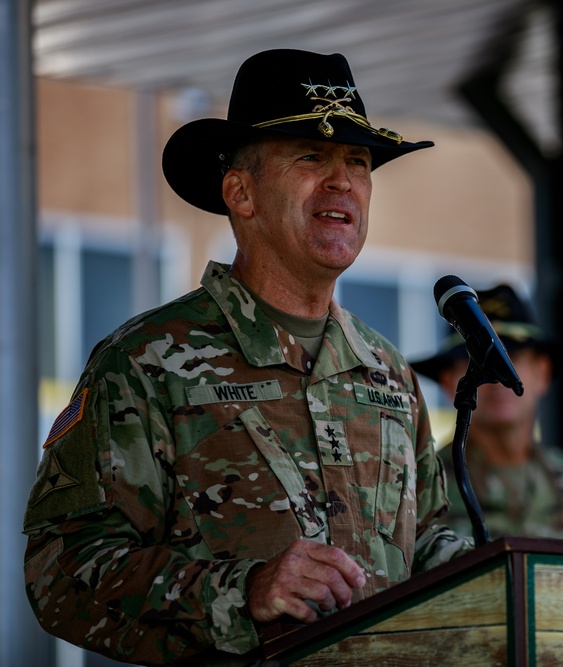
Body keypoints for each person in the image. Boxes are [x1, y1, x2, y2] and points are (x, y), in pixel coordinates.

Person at [22, 49, 471, 666]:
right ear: (241, 192)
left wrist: (523, 576)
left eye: (358, 162)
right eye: (311, 157)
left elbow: (424, 546)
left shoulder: (387, 373)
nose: (342, 181)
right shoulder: (148, 361)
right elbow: (62, 572)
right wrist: (243, 593)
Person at [411, 284, 563, 541]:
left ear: (542, 373)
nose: (495, 377)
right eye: (476, 360)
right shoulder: (426, 481)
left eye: (511, 357)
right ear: (448, 381)